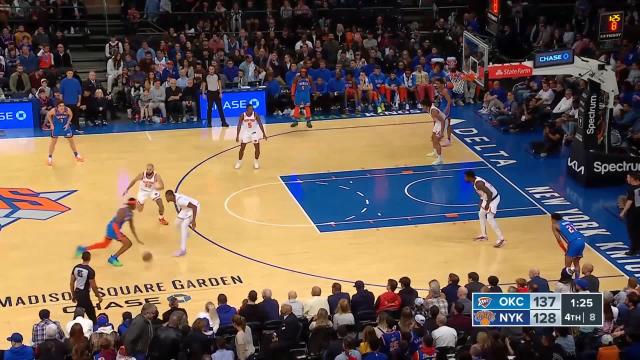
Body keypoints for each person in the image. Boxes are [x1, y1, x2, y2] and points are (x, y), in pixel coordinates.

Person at [75, 198, 142, 267]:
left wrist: (137, 238)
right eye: (135, 205)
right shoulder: (122, 211)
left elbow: (131, 226)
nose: (136, 206)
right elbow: (115, 223)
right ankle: (113, 258)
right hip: (113, 228)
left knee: (104, 244)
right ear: (131, 205)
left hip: (112, 228)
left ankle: (82, 249)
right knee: (128, 243)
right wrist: (118, 235)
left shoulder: (130, 214)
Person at [464, 170, 506, 248]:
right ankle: (484, 235)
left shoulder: (478, 183)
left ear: (470, 177)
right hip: (487, 199)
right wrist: (481, 201)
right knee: (481, 214)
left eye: (465, 177)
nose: (464, 178)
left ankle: (501, 239)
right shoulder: (475, 181)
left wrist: (487, 204)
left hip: (493, 199)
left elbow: (489, 193)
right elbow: (482, 193)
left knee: (490, 218)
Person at [46, 101, 84, 166]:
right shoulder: (54, 110)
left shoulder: (67, 110)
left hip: (65, 127)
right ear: (57, 106)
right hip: (57, 127)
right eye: (60, 106)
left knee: (71, 141)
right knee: (53, 142)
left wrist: (68, 123)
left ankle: (76, 155)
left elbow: (71, 115)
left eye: (63, 105)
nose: (62, 107)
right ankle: (50, 158)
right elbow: (48, 115)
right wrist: (51, 124)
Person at [69, 251, 102, 323]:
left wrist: (73, 294)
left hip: (77, 292)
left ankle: (73, 327)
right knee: (92, 314)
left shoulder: (76, 267)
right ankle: (95, 329)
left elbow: (71, 283)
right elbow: (93, 286)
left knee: (78, 313)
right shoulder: (90, 271)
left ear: (82, 258)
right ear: (90, 258)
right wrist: (98, 296)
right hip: (84, 294)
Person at [165, 190, 200, 257]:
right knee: (177, 223)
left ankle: (183, 250)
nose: (166, 198)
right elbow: (182, 206)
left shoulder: (180, 200)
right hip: (186, 208)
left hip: (194, 208)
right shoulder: (175, 198)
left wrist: (193, 221)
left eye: (167, 197)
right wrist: (182, 216)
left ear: (171, 196)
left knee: (183, 225)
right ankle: (186, 234)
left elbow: (194, 207)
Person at [551, 212, 585, 277]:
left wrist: (565, 250)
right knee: (576, 264)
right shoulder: (567, 222)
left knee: (567, 267)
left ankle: (568, 282)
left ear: (553, 219)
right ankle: (577, 280)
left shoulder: (554, 225)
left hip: (573, 243)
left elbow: (559, 240)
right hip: (581, 241)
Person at [235, 104, 267, 169]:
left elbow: (260, 124)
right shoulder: (242, 115)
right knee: (242, 148)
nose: (251, 110)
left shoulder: (255, 114)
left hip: (254, 133)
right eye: (250, 109)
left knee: (257, 149)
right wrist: (237, 135)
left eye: (252, 109)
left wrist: (264, 133)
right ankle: (239, 162)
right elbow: (239, 125)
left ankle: (256, 161)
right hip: (246, 133)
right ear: (247, 109)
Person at [620, 172, 640, 256]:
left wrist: (623, 212)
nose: (627, 179)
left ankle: (633, 250)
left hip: (633, 214)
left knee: (632, 232)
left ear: (632, 178)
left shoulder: (631, 189)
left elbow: (629, 202)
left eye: (628, 177)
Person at [424, 98, 446, 165]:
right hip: (438, 122)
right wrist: (434, 129)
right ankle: (435, 152)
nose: (422, 107)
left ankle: (440, 159)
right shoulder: (429, 109)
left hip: (443, 123)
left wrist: (441, 132)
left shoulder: (433, 110)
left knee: (436, 141)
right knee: (433, 137)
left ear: (426, 105)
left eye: (422, 105)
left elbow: (443, 121)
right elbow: (435, 119)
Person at [434, 78, 453, 146]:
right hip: (442, 107)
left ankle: (448, 139)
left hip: (446, 108)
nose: (436, 85)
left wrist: (446, 110)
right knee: (439, 121)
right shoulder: (439, 90)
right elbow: (441, 98)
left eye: (437, 83)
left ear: (442, 84)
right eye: (436, 83)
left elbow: (449, 101)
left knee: (448, 124)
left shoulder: (445, 91)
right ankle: (440, 135)